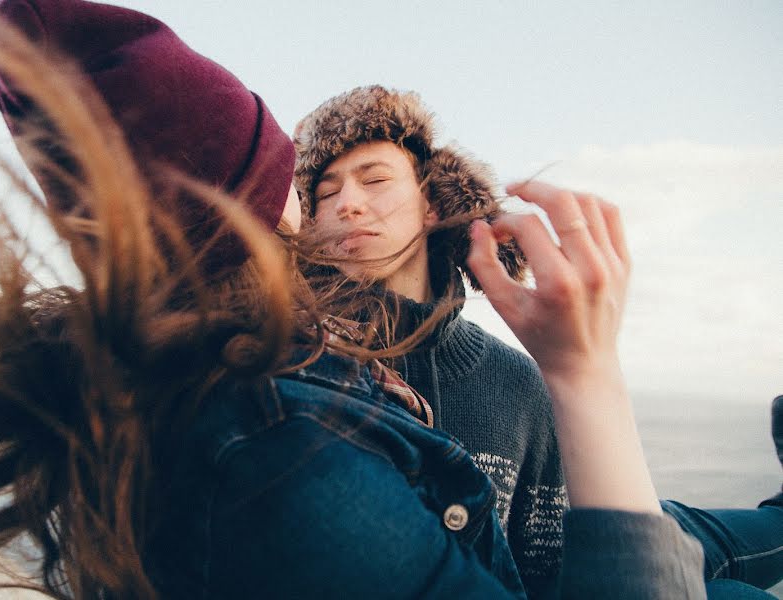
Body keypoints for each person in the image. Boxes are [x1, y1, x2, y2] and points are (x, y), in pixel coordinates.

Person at [0, 0, 708, 598]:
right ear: (252, 211)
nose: (335, 206)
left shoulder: (291, 374)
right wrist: (588, 375)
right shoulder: (281, 444)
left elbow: (565, 554)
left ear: (433, 203)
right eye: (302, 183)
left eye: (374, 180)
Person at [293, 85, 783, 598]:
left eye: (374, 180)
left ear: (432, 206)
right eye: (325, 194)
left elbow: (544, 567)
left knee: (706, 555)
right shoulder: (295, 362)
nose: (348, 204)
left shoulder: (518, 381)